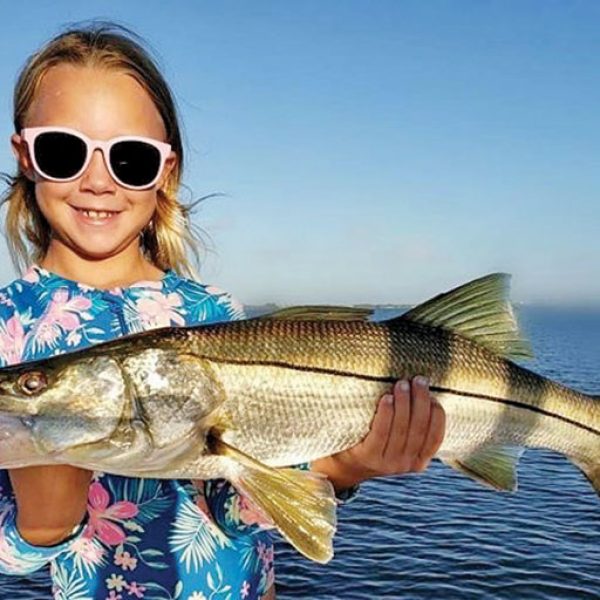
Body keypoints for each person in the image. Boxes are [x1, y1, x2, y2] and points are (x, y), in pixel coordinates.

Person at [0, 23, 445, 600]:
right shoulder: (8, 327)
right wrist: (43, 526)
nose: (97, 182)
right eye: (64, 151)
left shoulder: (213, 312)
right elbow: (13, 556)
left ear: (166, 172)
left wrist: (346, 469)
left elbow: (237, 513)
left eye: (130, 159)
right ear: (26, 155)